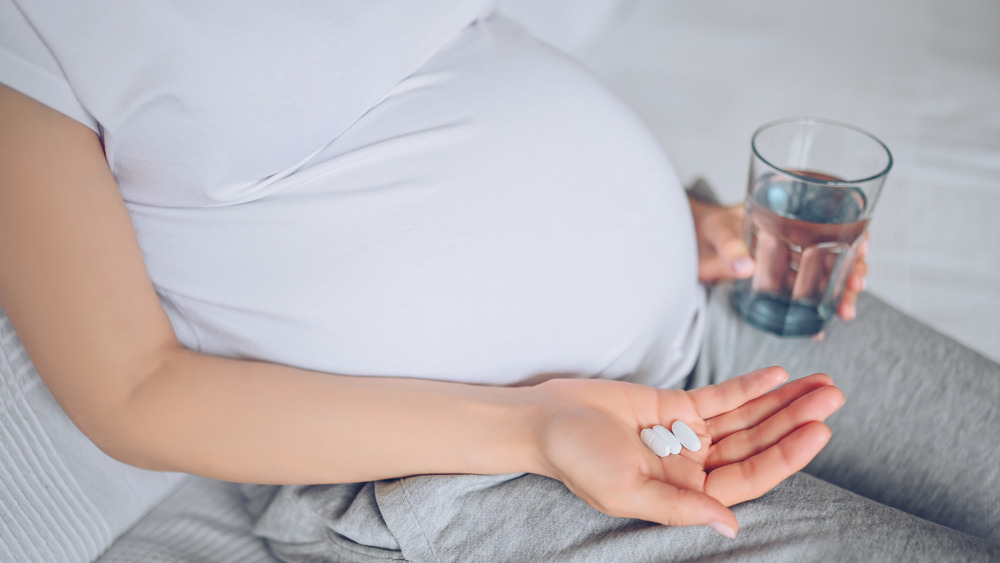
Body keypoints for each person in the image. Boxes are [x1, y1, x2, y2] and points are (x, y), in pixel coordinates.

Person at [0, 2, 997, 561]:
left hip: (705, 302)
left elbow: (460, 72)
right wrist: (530, 425)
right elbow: (133, 390)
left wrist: (666, 215)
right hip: (457, 460)